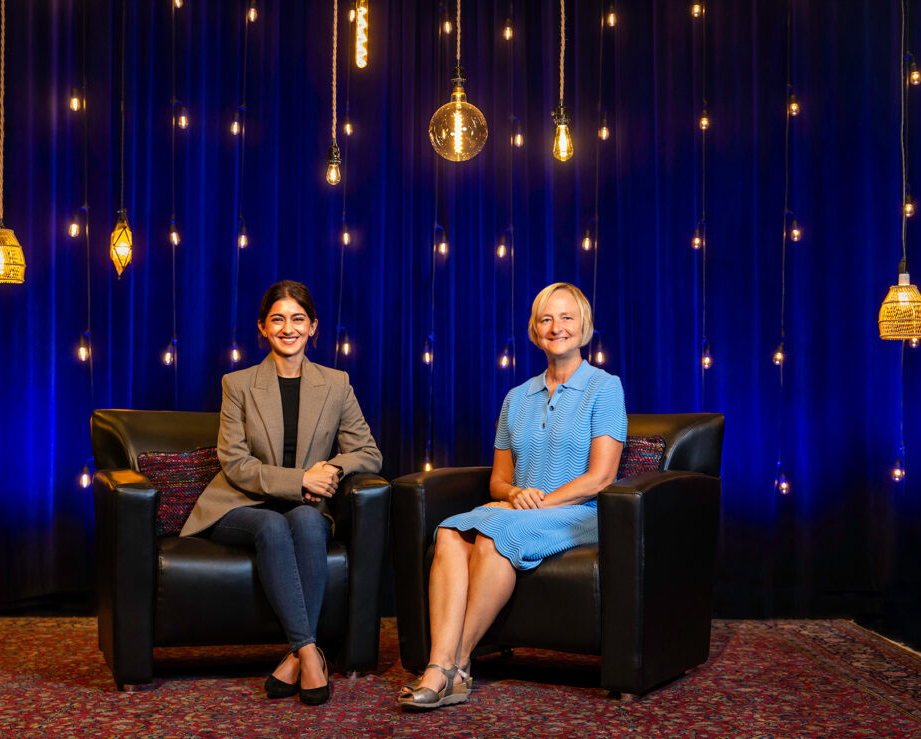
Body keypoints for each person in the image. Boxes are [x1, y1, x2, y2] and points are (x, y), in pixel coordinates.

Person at [397, 282, 627, 711]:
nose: (556, 327)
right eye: (546, 318)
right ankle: (440, 665)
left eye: (567, 318)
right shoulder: (515, 398)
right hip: (521, 510)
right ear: (534, 330)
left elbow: (602, 477)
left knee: (494, 533)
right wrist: (517, 494)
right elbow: (499, 483)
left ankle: (455, 666)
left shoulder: (605, 387)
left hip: (581, 513)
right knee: (448, 530)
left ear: (585, 327)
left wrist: (538, 503)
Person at [180, 280, 382, 706]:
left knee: (309, 519)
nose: (288, 328)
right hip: (239, 503)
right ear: (262, 328)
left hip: (304, 506)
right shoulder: (237, 384)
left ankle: (295, 655)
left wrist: (332, 466)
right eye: (278, 319)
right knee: (272, 524)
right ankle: (311, 653)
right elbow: (234, 463)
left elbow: (367, 451)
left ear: (313, 328)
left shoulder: (336, 384)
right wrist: (300, 481)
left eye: (297, 319)